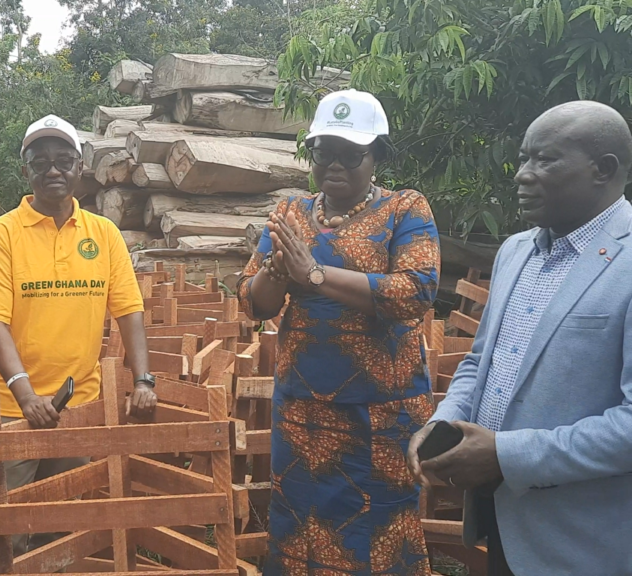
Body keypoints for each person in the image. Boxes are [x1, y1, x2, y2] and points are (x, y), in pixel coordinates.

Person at [407, 101, 632, 576]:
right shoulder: (516, 251)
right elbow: (480, 361)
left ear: (604, 170)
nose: (522, 175)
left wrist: (507, 455)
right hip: (503, 521)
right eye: (524, 158)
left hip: (585, 541)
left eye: (545, 160)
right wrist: (444, 422)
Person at [237, 89, 440, 575]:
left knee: (378, 531)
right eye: (324, 151)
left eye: (351, 153)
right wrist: (277, 272)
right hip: (303, 413)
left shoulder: (405, 210)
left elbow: (415, 291)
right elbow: (253, 304)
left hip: (379, 414)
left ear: (379, 156)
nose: (335, 164)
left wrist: (315, 275)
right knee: (300, 529)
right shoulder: (290, 213)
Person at [0, 115, 158, 555]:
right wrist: (25, 395)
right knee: (9, 526)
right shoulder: (2, 235)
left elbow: (129, 311)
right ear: (25, 171)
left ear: (81, 168)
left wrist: (143, 380)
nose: (52, 170)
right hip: (12, 409)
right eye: (40, 162)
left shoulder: (104, 234)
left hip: (78, 404)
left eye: (63, 161)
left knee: (65, 521)